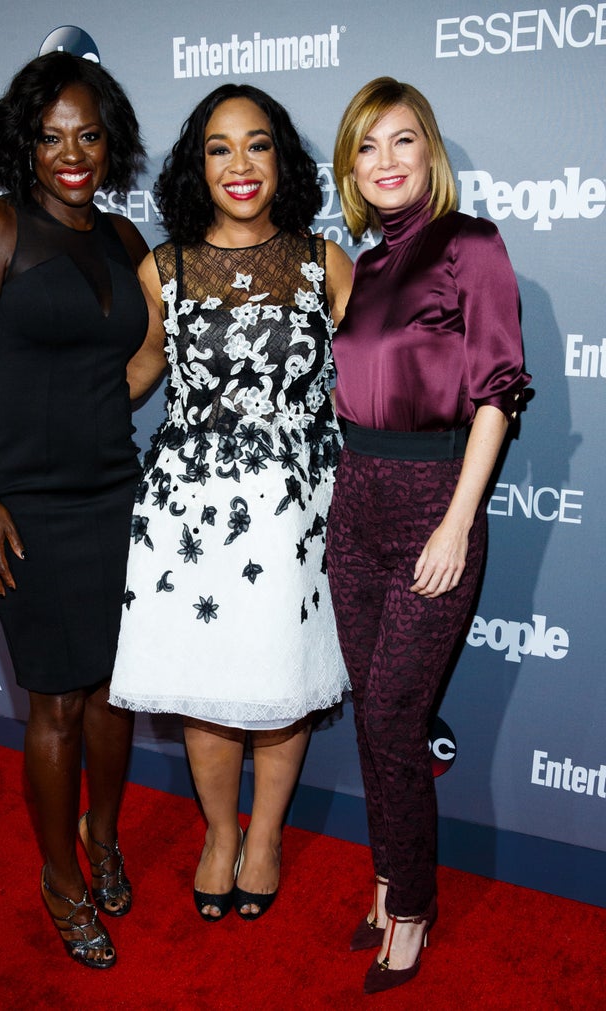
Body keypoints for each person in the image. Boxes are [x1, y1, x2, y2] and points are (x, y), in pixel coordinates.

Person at [0, 51, 164, 970]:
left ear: (111, 143)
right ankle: (60, 879)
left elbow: (150, 348)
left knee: (113, 690)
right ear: (24, 146)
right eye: (51, 136)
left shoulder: (125, 242)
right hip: (26, 502)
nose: (71, 152)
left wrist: (101, 401)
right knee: (57, 702)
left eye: (88, 134)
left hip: (116, 488)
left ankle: (103, 838)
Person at [108, 84, 354, 922]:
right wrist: (39, 389)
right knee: (207, 686)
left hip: (294, 509)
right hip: (189, 511)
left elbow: (377, 368)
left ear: (280, 160)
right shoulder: (163, 265)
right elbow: (139, 371)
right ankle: (219, 832)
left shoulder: (324, 263)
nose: (240, 164)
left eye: (257, 144)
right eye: (220, 147)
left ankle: (268, 835)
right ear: (197, 164)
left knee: (278, 681)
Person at [327, 77, 530, 995]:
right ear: (352, 166)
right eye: (368, 147)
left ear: (430, 150)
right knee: (374, 718)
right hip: (354, 504)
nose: (387, 162)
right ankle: (386, 876)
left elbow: (497, 394)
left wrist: (456, 521)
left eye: (403, 141)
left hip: (431, 504)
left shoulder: (472, 247)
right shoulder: (364, 265)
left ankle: (411, 909)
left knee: (392, 718)